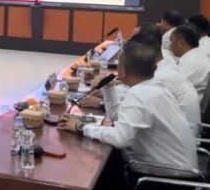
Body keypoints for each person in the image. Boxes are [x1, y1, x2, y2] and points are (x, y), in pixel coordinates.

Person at [59, 41, 197, 172]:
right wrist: (108, 88)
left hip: (164, 177)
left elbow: (120, 138)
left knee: (95, 165)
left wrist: (81, 127)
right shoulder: (156, 88)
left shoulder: (140, 94)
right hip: (175, 169)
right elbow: (118, 118)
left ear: (123, 70)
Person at [170, 23, 210, 109]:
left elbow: (170, 86)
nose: (170, 45)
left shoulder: (193, 62)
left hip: (186, 109)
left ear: (181, 43)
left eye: (171, 41)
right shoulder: (195, 56)